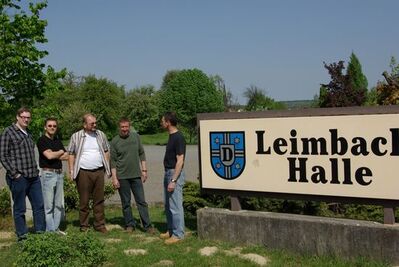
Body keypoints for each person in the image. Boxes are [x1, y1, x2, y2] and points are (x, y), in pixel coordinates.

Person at [0, 107, 45, 241]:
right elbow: (3, 155)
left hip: (33, 176)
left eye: (28, 117)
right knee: (20, 208)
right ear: (17, 117)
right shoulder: (8, 132)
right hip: (19, 177)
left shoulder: (28, 132)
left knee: (39, 205)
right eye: (24, 117)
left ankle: (41, 234)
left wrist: (36, 171)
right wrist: (15, 174)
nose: (26, 119)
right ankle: (22, 236)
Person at [67, 113, 111, 233]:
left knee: (99, 200)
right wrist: (71, 170)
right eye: (92, 123)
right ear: (84, 124)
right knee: (84, 200)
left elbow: (106, 150)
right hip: (83, 172)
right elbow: (70, 154)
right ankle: (84, 225)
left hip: (98, 171)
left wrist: (106, 166)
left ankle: (100, 224)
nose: (95, 125)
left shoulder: (100, 135)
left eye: (95, 123)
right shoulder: (76, 136)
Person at [110, 118, 155, 234]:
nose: (125, 129)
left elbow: (141, 153)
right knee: (126, 203)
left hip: (136, 175)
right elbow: (113, 162)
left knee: (141, 201)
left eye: (126, 127)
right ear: (119, 128)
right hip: (122, 176)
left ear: (129, 127)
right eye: (122, 127)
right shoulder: (114, 141)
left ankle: (147, 226)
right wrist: (114, 178)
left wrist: (144, 170)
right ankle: (129, 225)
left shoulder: (136, 137)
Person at [37, 118, 68, 234]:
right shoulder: (41, 140)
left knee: (58, 205)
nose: (52, 127)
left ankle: (55, 229)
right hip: (48, 174)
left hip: (59, 174)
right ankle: (50, 232)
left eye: (54, 126)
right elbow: (49, 156)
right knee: (49, 206)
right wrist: (59, 152)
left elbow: (66, 156)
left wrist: (55, 153)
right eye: (49, 126)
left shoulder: (57, 141)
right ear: (45, 127)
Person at [159, 112, 186, 244]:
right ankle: (171, 230)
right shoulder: (171, 136)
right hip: (168, 172)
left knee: (175, 205)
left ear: (168, 122)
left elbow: (180, 160)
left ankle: (178, 234)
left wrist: (174, 180)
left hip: (174, 174)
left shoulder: (178, 137)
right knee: (168, 204)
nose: (161, 123)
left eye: (162, 121)